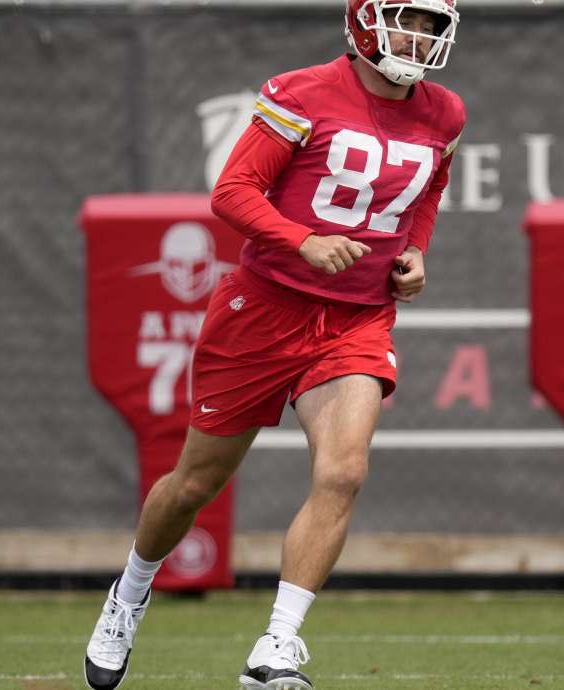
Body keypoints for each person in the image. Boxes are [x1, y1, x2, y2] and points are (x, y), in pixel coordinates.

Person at [84, 1, 465, 688]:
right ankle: (130, 592)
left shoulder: (445, 113)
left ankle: (275, 648)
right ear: (366, 20)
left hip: (357, 318)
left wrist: (415, 251)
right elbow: (232, 192)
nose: (421, 36)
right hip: (264, 310)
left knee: (344, 471)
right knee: (194, 484)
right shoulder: (302, 92)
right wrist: (303, 241)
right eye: (410, 18)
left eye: (433, 25)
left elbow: (428, 189)